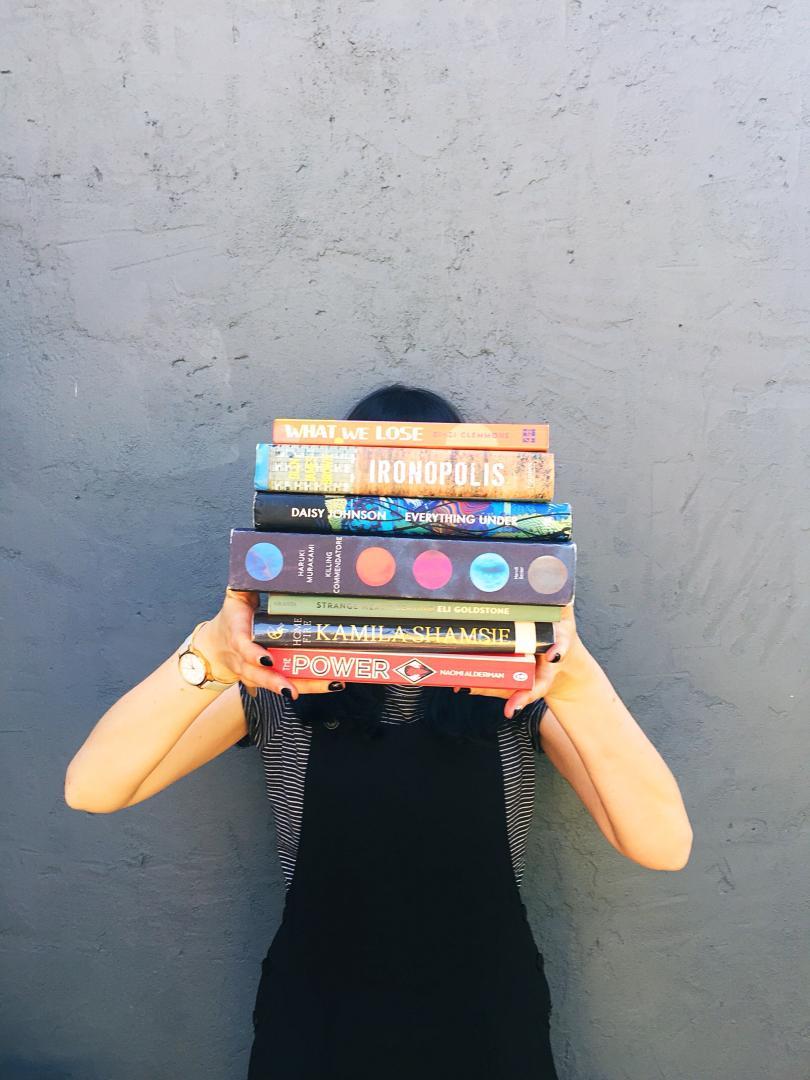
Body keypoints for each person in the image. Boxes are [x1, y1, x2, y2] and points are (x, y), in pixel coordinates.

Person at [64, 382, 693, 1080]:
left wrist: (572, 673)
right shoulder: (281, 680)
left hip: (488, 1029)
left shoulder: (520, 687)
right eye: (378, 518)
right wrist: (209, 652)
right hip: (316, 1026)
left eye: (435, 519)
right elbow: (94, 788)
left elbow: (663, 845)